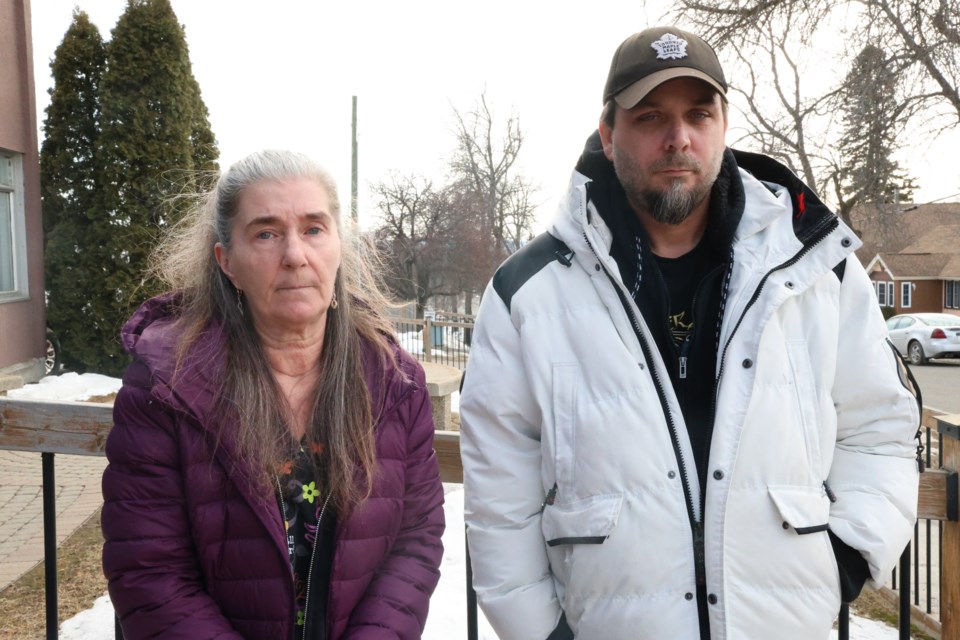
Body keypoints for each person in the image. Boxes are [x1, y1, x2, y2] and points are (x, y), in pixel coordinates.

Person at [459, 26, 921, 640]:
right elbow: (500, 496)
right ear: (608, 132)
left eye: (698, 114)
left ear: (723, 126)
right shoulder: (529, 293)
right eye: (650, 117)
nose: (678, 138)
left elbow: (881, 426)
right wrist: (543, 634)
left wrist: (845, 558)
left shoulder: (816, 270)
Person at [102, 150, 445, 639]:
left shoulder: (395, 384)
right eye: (265, 233)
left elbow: (415, 540)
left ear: (338, 247)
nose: (294, 254)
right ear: (227, 262)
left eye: (313, 229)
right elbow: (149, 571)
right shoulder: (166, 388)